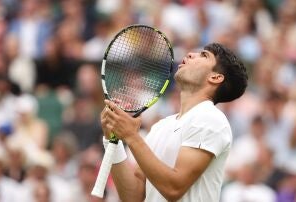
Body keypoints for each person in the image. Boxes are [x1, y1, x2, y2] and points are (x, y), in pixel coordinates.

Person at [100, 43, 248, 201]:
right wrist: (113, 141)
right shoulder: (161, 126)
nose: (191, 54)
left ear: (215, 77)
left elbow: (174, 188)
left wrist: (131, 136)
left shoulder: (211, 119)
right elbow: (133, 197)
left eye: (204, 55)